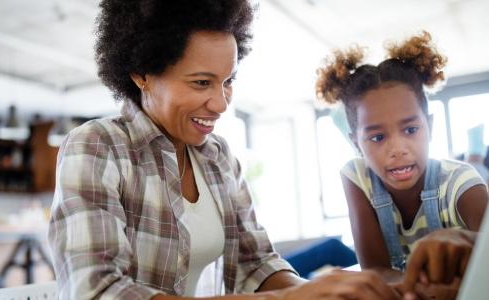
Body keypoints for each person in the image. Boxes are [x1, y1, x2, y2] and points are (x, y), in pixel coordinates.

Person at [48, 1, 400, 299]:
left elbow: (255, 263)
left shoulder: (217, 157)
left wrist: (315, 291)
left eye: (228, 81)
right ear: (142, 73)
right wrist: (291, 297)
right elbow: (97, 291)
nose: (220, 103)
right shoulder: (98, 147)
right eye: (201, 82)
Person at [315, 31, 489, 297]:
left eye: (410, 130)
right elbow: (375, 271)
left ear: (429, 126)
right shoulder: (357, 177)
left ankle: (476, 151)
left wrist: (467, 242)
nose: (397, 149)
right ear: (355, 143)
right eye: (377, 137)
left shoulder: (460, 182)